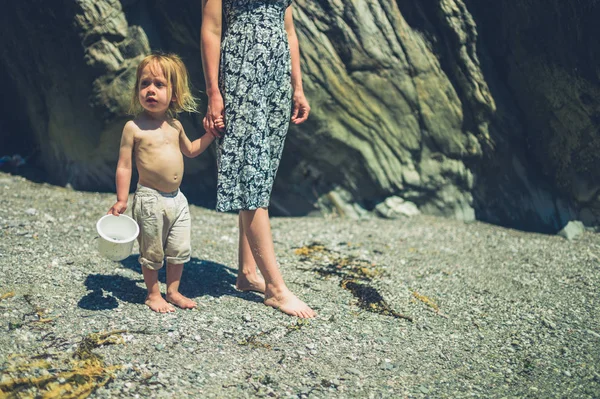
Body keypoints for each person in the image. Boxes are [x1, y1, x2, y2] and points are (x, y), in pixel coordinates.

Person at [201, 0, 316, 318]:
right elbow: (211, 29)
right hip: (241, 75)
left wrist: (298, 87)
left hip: (276, 80)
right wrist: (214, 93)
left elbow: (289, 31)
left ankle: (247, 273)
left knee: (262, 172)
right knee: (249, 171)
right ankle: (277, 290)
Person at [107, 53, 223, 313]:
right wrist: (122, 199)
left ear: (173, 94)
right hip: (149, 198)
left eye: (159, 85)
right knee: (152, 249)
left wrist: (210, 134)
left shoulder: (175, 125)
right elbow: (124, 165)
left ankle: (173, 290)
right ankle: (152, 294)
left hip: (178, 199)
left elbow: (191, 150)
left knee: (179, 248)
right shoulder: (133, 128)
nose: (150, 90)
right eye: (144, 84)